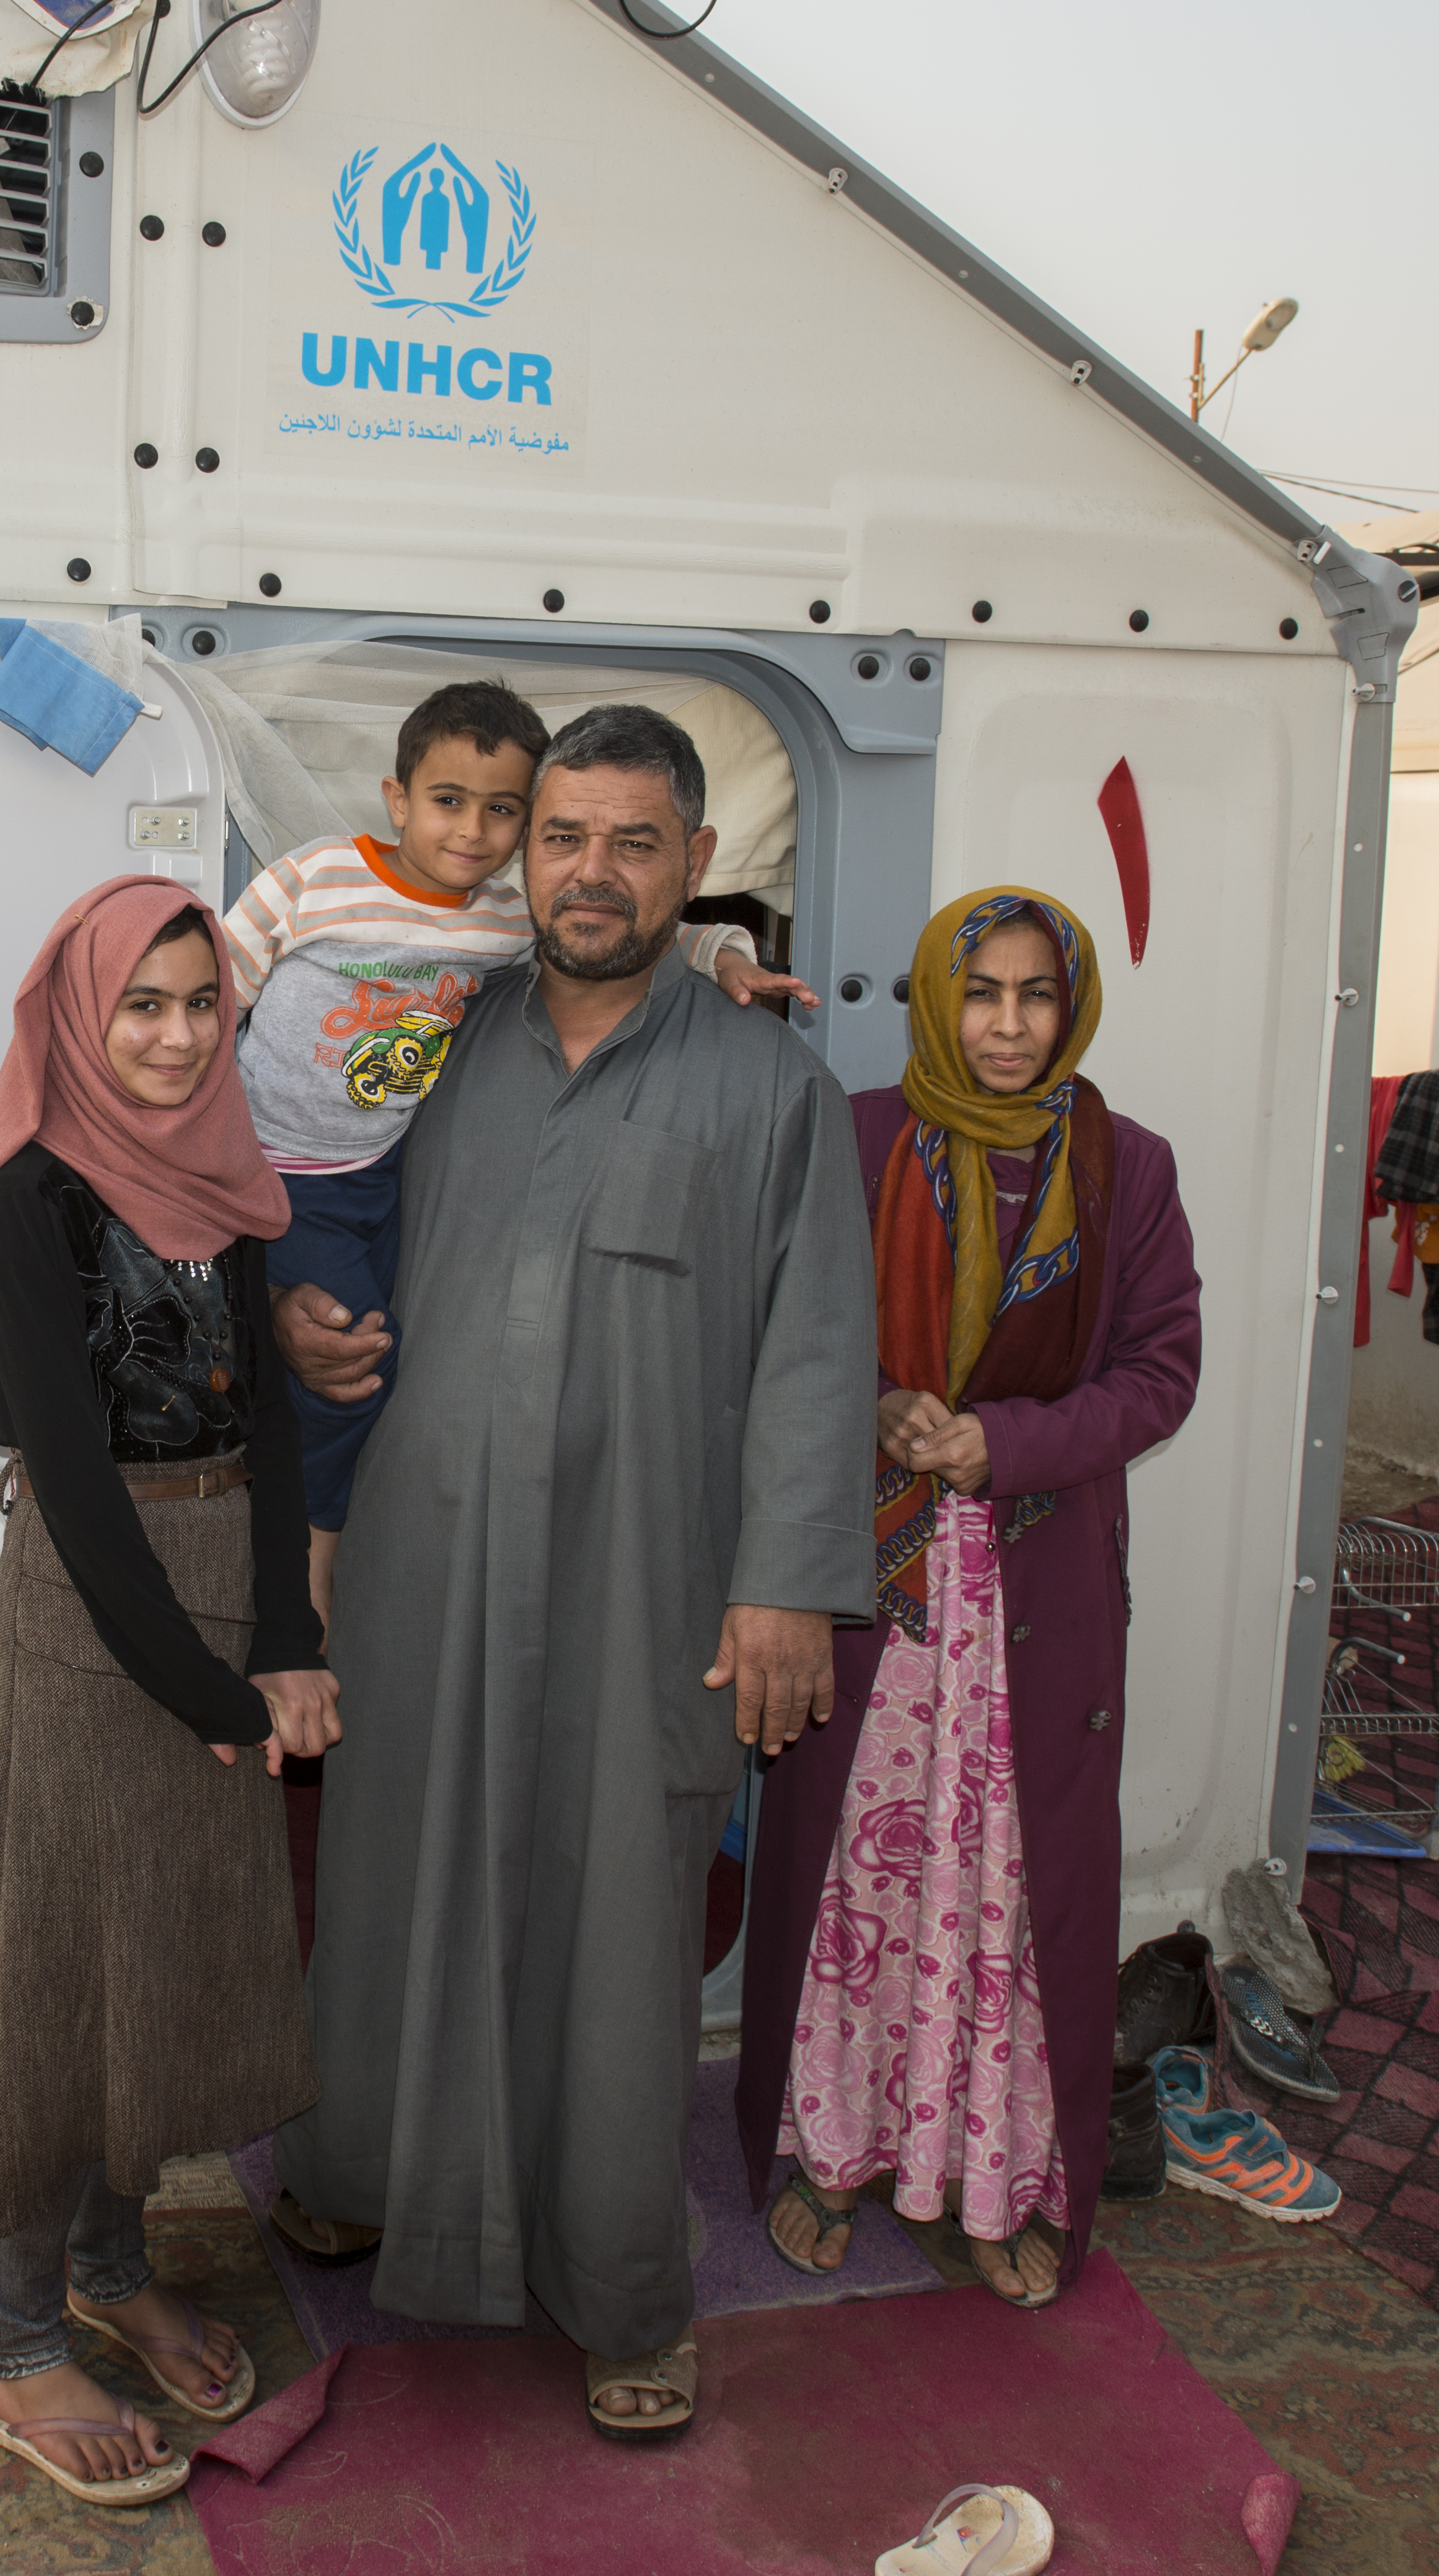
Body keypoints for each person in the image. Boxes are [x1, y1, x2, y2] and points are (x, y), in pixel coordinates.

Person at [265, 706, 873, 2443]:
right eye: (560, 837)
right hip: (426, 1559)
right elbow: (300, 1187)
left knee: (618, 1918)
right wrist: (292, 1327)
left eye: (630, 842)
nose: (588, 872)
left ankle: (619, 2291)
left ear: (694, 865)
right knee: (397, 1877)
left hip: (653, 1582)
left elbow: (820, 1351)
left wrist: (785, 1587)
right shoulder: (428, 1039)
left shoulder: (770, 1081)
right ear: (518, 855)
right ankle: (366, 2169)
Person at [0, 875, 345, 2509]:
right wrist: (210, 1688)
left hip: (232, 1579)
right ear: (76, 1019)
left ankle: (110, 2263)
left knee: (161, 1949)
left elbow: (281, 1423)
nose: (173, 1038)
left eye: (197, 1005)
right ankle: (11, 2341)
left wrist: (287, 1643)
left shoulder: (227, 1168)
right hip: (102, 1611)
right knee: (62, 1969)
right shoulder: (30, 1198)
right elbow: (75, 1486)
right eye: (138, 1006)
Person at [732, 888, 1204, 2309]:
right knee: (851, 1874)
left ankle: (997, 2170)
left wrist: (1001, 1442)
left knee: (1008, 1883)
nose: (1006, 1025)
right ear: (939, 1000)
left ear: (1069, 1007)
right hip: (872, 1581)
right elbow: (782, 1323)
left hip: (1034, 1583)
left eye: (1034, 995)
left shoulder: (1130, 1167)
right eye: (980, 994)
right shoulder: (860, 1135)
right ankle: (830, 2146)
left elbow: (1158, 1371)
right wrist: (884, 1411)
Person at [217, 678, 793, 1622]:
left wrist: (727, 952)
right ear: (397, 800)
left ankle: (367, 1540)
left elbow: (636, 927)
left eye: (504, 813)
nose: (473, 833)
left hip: (382, 1166)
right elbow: (218, 988)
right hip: (282, 1167)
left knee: (403, 1344)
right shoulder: (314, 878)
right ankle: (311, 1551)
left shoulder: (502, 920)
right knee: (348, 1360)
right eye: (448, 802)